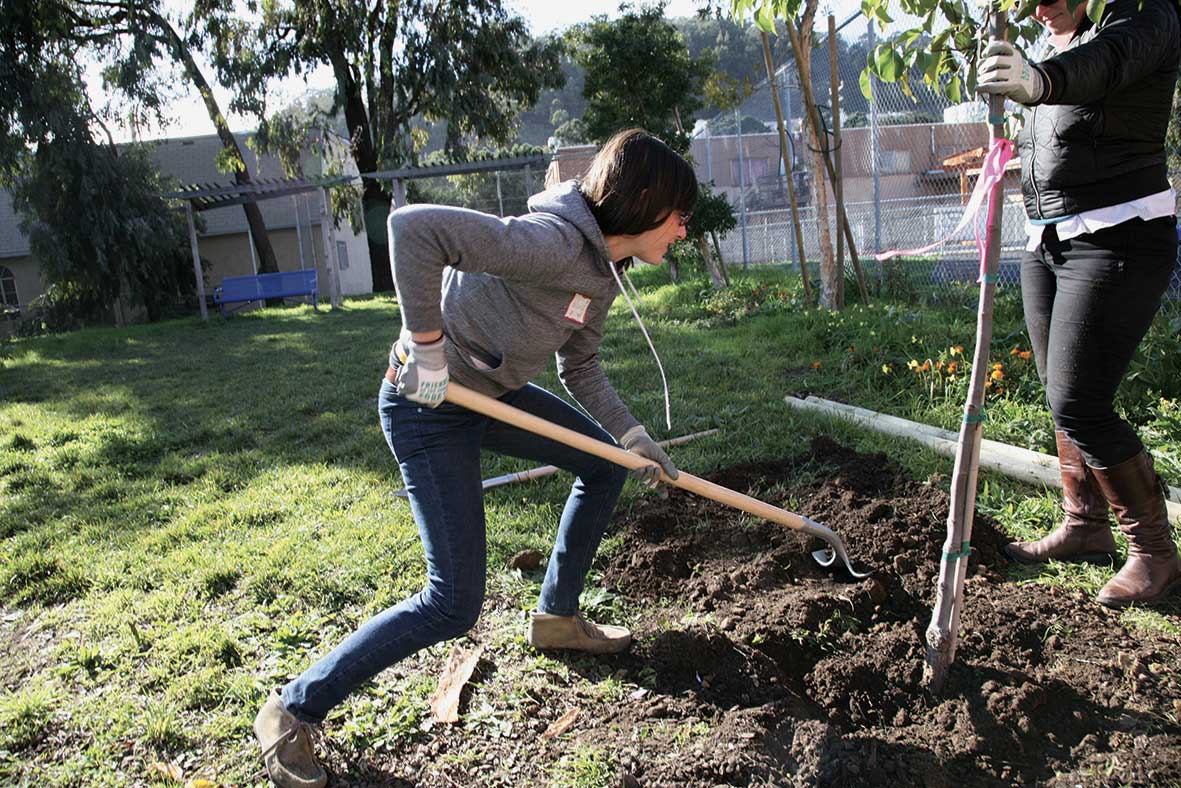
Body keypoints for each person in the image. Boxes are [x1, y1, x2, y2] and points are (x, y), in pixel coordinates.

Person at [252, 128, 697, 788]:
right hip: (425, 406)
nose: (684, 233)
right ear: (646, 203)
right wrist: (426, 347)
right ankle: (290, 709)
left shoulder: (603, 272)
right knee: (452, 604)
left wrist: (629, 436)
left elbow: (581, 365)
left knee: (604, 464)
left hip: (493, 395)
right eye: (680, 217)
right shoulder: (549, 244)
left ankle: (555, 617)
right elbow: (413, 229)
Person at [979, 0, 1181, 607]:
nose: (1039, 8)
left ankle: (1154, 553)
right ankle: (1085, 525)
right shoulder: (1067, 37)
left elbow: (1107, 64)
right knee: (1059, 394)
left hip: (1118, 234)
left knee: (1079, 398)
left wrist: (1039, 79)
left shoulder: (1144, 16)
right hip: (1049, 238)